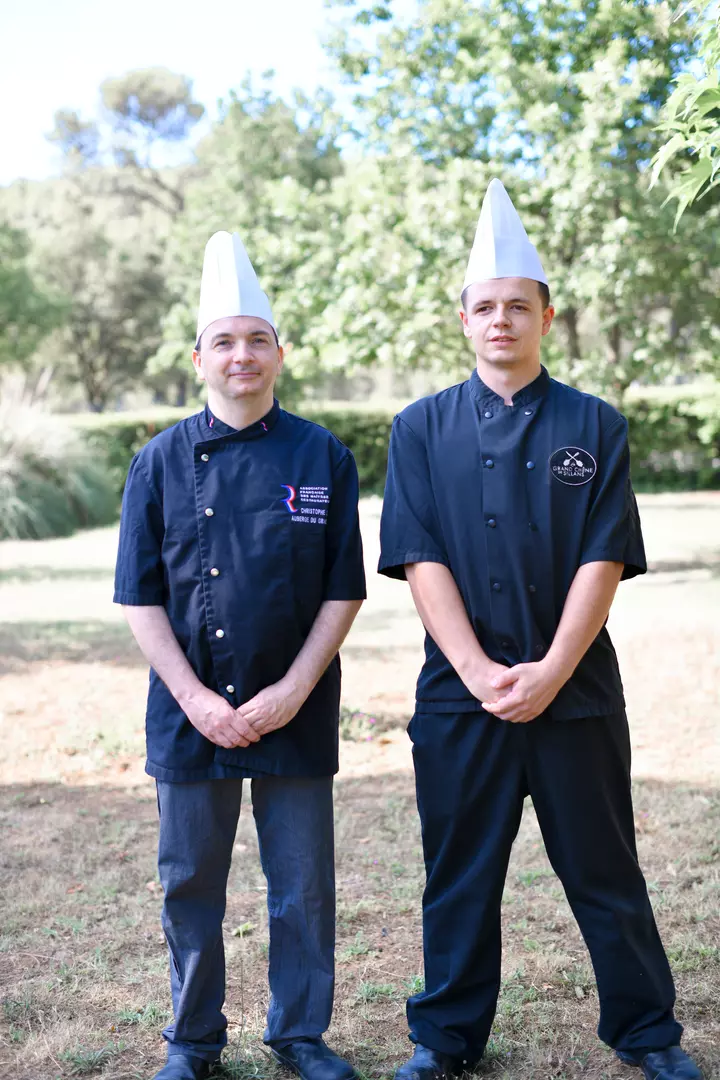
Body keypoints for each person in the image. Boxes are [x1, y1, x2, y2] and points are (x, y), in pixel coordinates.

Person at [378, 180, 702, 1080]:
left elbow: (605, 554)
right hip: (460, 699)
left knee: (605, 871)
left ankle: (648, 1034)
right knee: (459, 875)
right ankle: (445, 1041)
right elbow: (418, 555)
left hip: (578, 692)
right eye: (486, 307)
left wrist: (553, 667)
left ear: (547, 318)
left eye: (518, 307)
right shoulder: (418, 429)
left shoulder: (596, 424)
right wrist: (479, 672)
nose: (501, 320)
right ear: (463, 319)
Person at [114, 231, 366, 1080]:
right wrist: (195, 699)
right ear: (199, 359)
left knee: (303, 885)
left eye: (257, 339)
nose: (242, 355)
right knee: (190, 881)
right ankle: (193, 1042)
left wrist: (294, 689)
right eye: (224, 341)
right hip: (190, 711)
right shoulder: (157, 462)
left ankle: (300, 1036)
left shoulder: (323, 455)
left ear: (279, 355)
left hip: (297, 705)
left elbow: (343, 589)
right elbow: (140, 597)